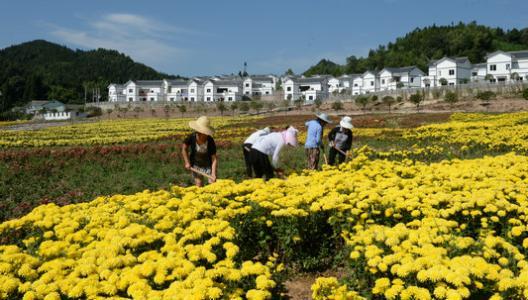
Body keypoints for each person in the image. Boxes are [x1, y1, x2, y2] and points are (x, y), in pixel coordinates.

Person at [182, 116, 217, 187]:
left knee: (213, 184)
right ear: (199, 132)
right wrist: (187, 162)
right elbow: (184, 149)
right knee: (199, 184)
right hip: (196, 165)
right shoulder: (191, 137)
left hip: (208, 165)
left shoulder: (210, 140)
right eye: (204, 133)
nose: (206, 135)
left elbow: (214, 158)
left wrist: (213, 173)